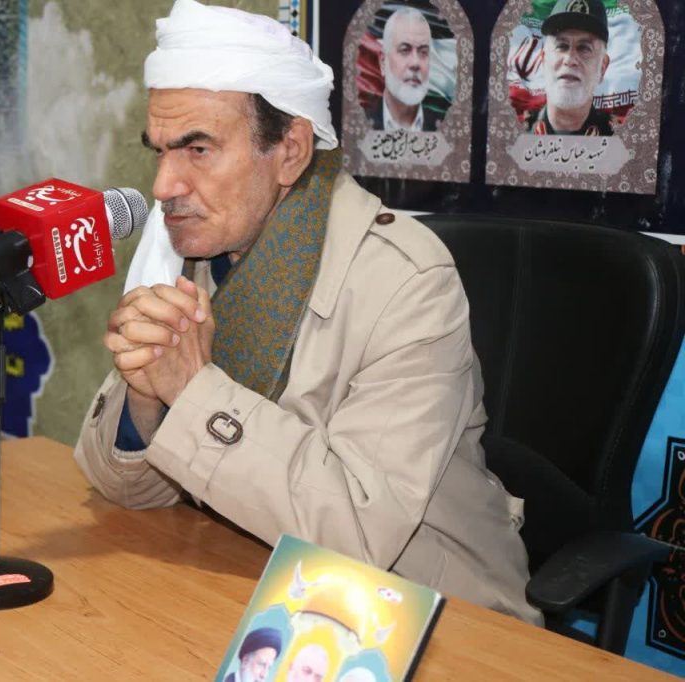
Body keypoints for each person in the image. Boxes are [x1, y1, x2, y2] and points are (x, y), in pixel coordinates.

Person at [73, 0, 541, 625]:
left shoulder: (407, 283)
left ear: (291, 150)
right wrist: (146, 400)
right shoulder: (190, 254)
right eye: (160, 152)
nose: (163, 186)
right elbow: (122, 487)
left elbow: (358, 532)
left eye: (198, 149)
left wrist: (190, 389)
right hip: (260, 588)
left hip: (434, 618)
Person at [526, 0, 613, 136]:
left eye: (584, 48)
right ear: (543, 60)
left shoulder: (621, 140)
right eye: (561, 46)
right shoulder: (515, 136)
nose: (570, 60)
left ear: (602, 67)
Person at [367, 8, 442, 132]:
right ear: (383, 62)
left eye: (423, 52)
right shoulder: (358, 126)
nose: (415, 63)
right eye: (405, 50)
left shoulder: (445, 130)